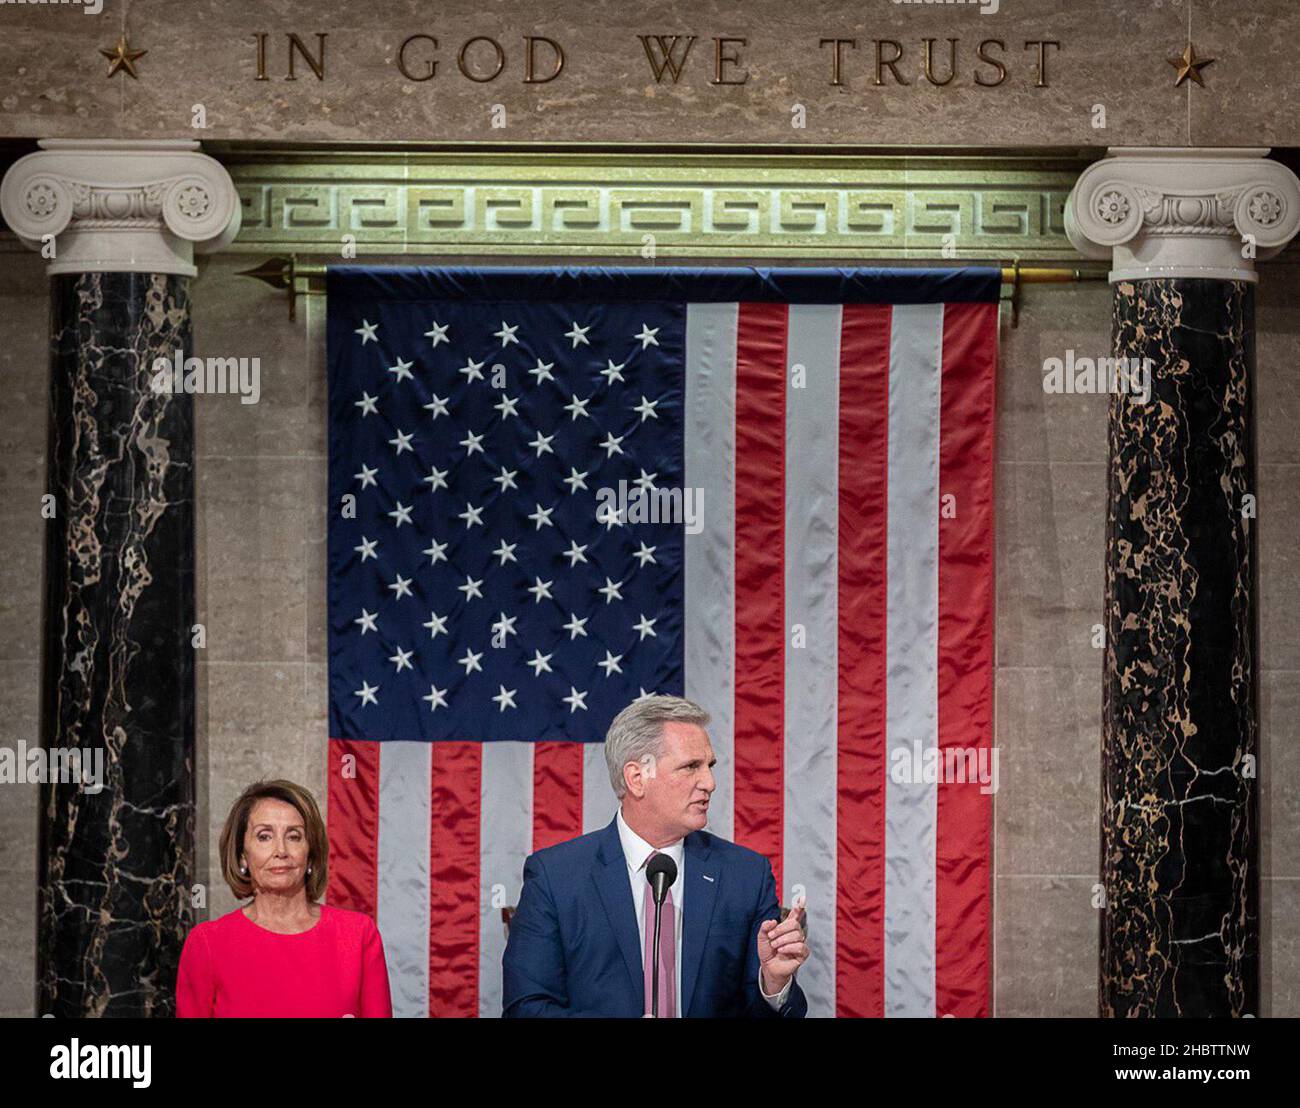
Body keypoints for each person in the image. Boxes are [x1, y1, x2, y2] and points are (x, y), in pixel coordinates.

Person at [503, 695, 809, 1017]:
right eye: (691, 766)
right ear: (637, 779)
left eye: (709, 766)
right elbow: (526, 1008)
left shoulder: (746, 875)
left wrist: (773, 984)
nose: (710, 783)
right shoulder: (555, 877)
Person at [176, 779, 392, 1017]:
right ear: (242, 856)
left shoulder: (358, 935)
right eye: (264, 836)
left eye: (294, 836)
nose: (281, 851)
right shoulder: (207, 944)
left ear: (310, 855)